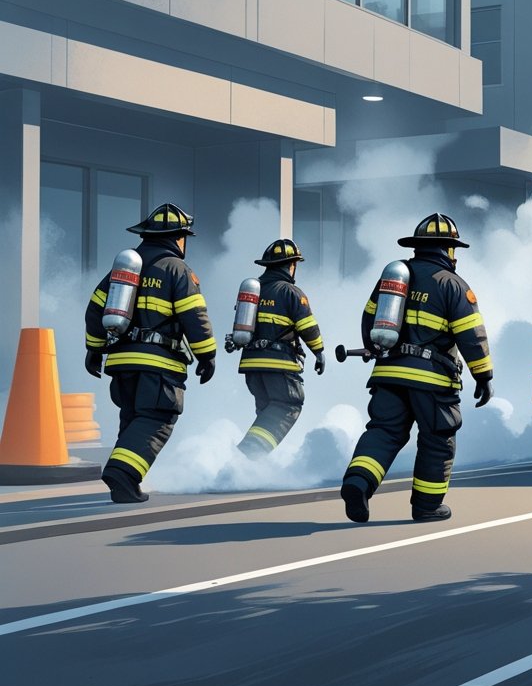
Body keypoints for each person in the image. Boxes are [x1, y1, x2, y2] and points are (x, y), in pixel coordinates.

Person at [341, 213, 493, 524]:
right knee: (438, 437)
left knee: (384, 431)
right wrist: (484, 375)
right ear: (447, 250)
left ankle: (358, 482)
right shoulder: (453, 285)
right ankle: (426, 506)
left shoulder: (394, 278)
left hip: (388, 373)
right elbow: (471, 335)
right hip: (432, 380)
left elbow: (369, 321)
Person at [84, 203, 216, 503]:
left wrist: (94, 349)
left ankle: (124, 486)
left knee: (132, 418)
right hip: (158, 363)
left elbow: (94, 310)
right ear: (177, 238)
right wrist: (207, 355)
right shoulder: (177, 269)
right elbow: (194, 316)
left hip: (120, 361)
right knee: (157, 418)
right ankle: (123, 473)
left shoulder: (122, 270)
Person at [230, 238, 325, 456]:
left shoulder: (255, 290)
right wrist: (319, 352)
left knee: (266, 412)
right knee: (286, 406)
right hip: (278, 364)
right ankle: (246, 456)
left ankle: (250, 463)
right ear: (291, 265)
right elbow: (308, 327)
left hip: (252, 365)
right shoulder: (291, 292)